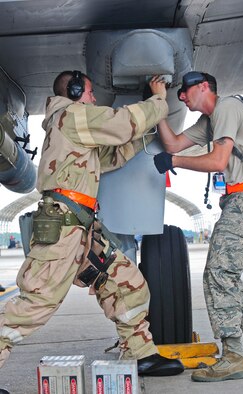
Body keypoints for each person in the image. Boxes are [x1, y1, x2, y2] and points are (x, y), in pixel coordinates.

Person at [0, 71, 184, 390]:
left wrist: (145, 133)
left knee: (128, 283)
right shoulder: (72, 115)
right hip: (63, 229)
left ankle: (140, 354)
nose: (94, 98)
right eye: (89, 92)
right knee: (36, 303)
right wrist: (157, 99)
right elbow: (120, 123)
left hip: (81, 229)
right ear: (74, 91)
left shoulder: (72, 125)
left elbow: (110, 156)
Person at [150, 71, 243, 382]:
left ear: (204, 87)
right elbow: (174, 143)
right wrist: (158, 103)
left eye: (185, 91)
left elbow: (218, 161)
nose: (182, 97)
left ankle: (233, 355)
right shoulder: (212, 119)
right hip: (242, 200)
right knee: (227, 275)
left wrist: (173, 163)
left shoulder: (227, 107)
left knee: (217, 274)